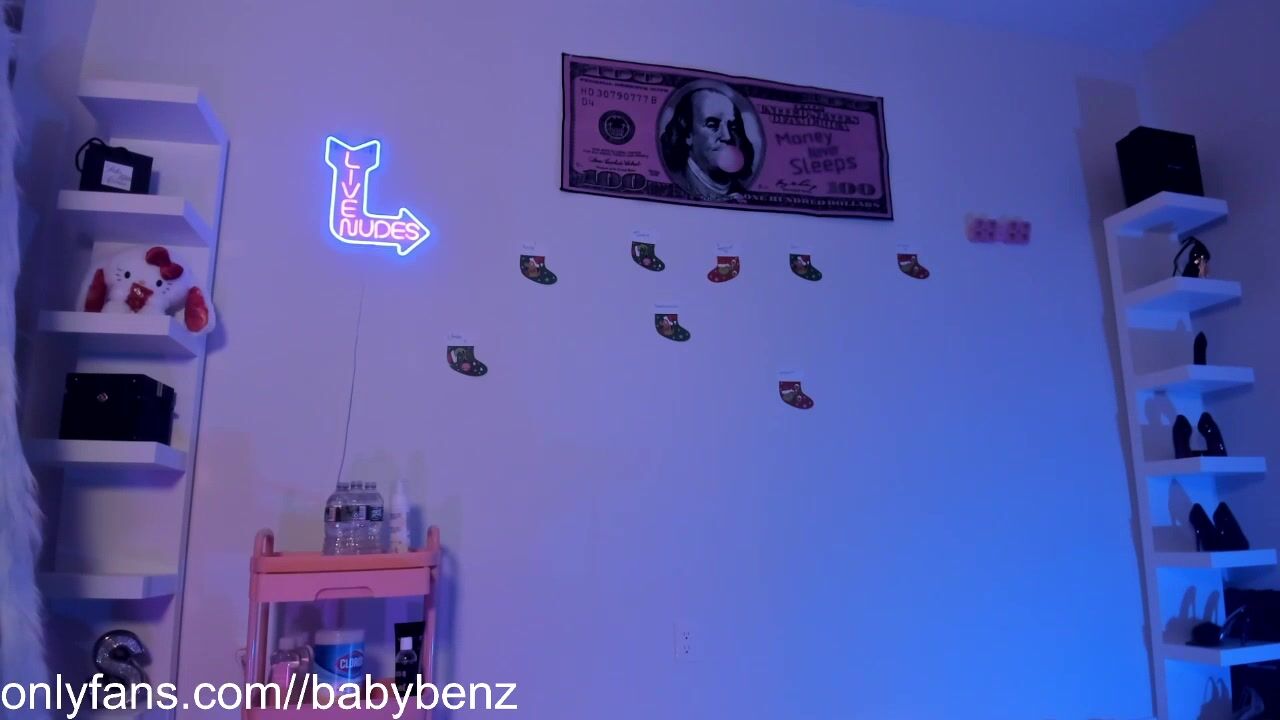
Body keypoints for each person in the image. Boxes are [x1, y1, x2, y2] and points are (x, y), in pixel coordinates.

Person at [660, 83, 757, 201]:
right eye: (712, 125)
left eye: (733, 127)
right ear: (687, 133)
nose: (727, 136)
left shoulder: (741, 191)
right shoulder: (678, 183)